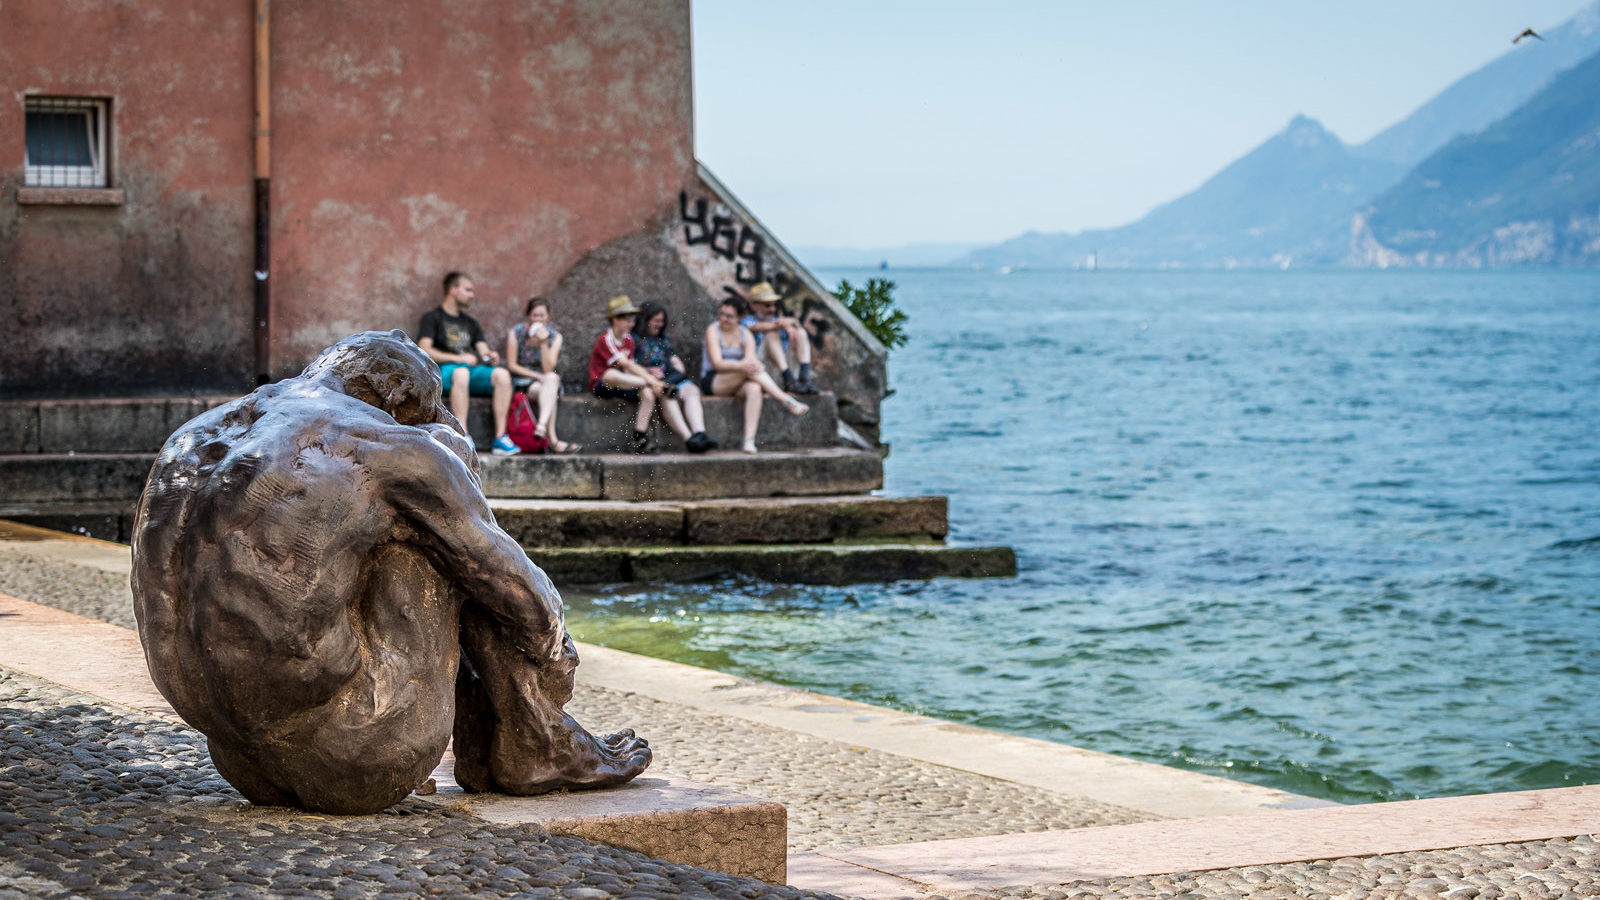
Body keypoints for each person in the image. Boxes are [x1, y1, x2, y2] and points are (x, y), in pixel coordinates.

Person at [130, 330, 650, 815]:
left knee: (394, 526)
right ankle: (538, 740)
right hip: (362, 752)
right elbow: (528, 602)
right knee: (454, 540)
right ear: (403, 406)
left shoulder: (198, 434)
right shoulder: (389, 446)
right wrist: (556, 665)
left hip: (238, 757)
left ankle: (519, 736)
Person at [416, 271, 517, 455]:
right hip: (444, 372)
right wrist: (459, 359)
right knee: (461, 372)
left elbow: (483, 351)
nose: (472, 295)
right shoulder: (432, 318)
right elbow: (424, 348)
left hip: (468, 372)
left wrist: (490, 357)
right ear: (453, 290)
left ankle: (501, 438)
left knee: (502, 375)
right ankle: (463, 436)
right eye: (468, 290)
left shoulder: (470, 323)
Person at [588, 294, 700, 454]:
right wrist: (653, 381)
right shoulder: (606, 339)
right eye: (628, 320)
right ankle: (658, 385)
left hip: (627, 383)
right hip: (603, 384)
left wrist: (647, 379)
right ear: (615, 320)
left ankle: (639, 437)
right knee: (611, 374)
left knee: (648, 393)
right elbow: (625, 364)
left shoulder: (628, 340)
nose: (631, 324)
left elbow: (630, 368)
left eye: (632, 320)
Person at [703, 296, 808, 453]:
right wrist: (742, 366)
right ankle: (785, 400)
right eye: (722, 314)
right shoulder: (713, 330)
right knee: (751, 371)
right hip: (715, 380)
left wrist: (750, 365)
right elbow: (717, 363)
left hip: (742, 379)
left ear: (740, 317)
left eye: (729, 316)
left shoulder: (745, 333)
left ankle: (749, 441)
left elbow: (750, 360)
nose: (723, 319)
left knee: (754, 388)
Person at [632, 300, 716, 454]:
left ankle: (699, 433)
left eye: (662, 321)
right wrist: (648, 371)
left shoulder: (662, 340)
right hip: (652, 382)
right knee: (667, 394)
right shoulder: (633, 340)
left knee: (691, 390)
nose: (660, 325)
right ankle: (688, 438)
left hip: (671, 378)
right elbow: (628, 365)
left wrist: (677, 365)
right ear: (645, 320)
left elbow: (674, 359)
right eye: (656, 321)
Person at [504, 297, 579, 454]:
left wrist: (544, 343)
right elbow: (512, 365)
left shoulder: (555, 337)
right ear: (528, 316)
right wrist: (537, 376)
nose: (538, 319)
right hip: (523, 382)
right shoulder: (516, 333)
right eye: (534, 315)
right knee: (550, 383)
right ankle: (554, 440)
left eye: (541, 316)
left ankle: (541, 426)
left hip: (545, 383)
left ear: (548, 317)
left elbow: (548, 368)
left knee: (552, 379)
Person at [741, 281, 818, 394]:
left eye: (773, 305)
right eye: (767, 305)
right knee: (772, 335)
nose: (772, 309)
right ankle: (788, 379)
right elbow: (755, 327)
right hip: (762, 370)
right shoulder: (747, 321)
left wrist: (791, 322)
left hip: (786, 367)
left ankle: (804, 377)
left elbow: (796, 324)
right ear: (754, 305)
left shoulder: (778, 320)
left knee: (801, 333)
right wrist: (783, 325)